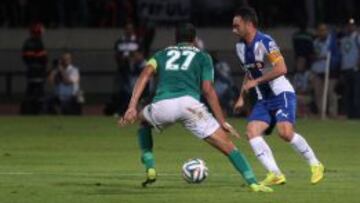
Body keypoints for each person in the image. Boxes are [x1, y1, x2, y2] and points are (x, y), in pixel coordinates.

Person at [119, 23, 273, 192]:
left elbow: (145, 74)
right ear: (194, 40)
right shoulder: (203, 57)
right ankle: (253, 183)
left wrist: (132, 106)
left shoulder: (161, 54)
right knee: (228, 147)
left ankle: (149, 164)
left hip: (162, 105)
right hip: (190, 107)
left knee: (143, 122)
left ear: (176, 39)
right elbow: (207, 90)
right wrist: (222, 121)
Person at [232, 7, 324, 186]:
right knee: (252, 132)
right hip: (263, 99)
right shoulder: (240, 47)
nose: (233, 29)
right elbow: (249, 72)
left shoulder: (265, 42)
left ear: (249, 24)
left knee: (285, 133)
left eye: (237, 25)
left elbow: (282, 69)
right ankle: (275, 173)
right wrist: (241, 97)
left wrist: (256, 83)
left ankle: (316, 164)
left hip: (281, 93)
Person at [310, 23, 340, 117]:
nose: (322, 32)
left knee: (330, 92)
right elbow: (311, 55)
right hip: (317, 70)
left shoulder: (331, 41)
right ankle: (322, 112)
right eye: (320, 30)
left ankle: (333, 113)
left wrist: (330, 60)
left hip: (329, 71)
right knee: (318, 93)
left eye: (324, 30)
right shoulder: (315, 42)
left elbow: (336, 56)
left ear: (327, 31)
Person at [21, 22, 48, 114]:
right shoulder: (38, 43)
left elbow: (25, 58)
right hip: (38, 71)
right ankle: (38, 111)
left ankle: (27, 110)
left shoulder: (26, 43)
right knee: (39, 92)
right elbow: (43, 59)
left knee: (30, 91)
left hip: (30, 70)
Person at [339, 18, 360, 118]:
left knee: (356, 93)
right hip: (346, 69)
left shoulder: (358, 37)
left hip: (355, 69)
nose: (350, 27)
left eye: (352, 25)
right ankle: (350, 114)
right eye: (349, 25)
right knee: (348, 93)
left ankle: (357, 115)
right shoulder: (344, 39)